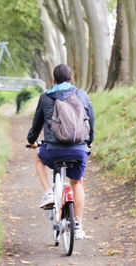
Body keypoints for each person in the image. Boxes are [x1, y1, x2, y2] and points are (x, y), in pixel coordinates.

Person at [26, 64, 95, 240]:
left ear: (53, 80)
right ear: (71, 79)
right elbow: (90, 120)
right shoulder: (81, 94)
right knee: (76, 183)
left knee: (40, 160)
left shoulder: (45, 97)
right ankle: (77, 225)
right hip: (79, 149)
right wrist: (89, 141)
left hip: (53, 150)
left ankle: (49, 192)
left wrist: (31, 141)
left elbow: (37, 124)